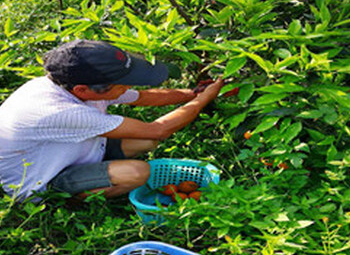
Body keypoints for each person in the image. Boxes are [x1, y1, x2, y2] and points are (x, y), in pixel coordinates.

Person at [0, 40, 224, 201]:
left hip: (68, 152)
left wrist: (193, 93)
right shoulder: (60, 111)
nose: (128, 88)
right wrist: (206, 98)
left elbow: (145, 97)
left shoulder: (73, 84)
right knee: (138, 172)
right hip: (42, 179)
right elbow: (159, 130)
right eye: (122, 85)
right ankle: (69, 200)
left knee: (145, 143)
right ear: (83, 90)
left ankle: (97, 174)